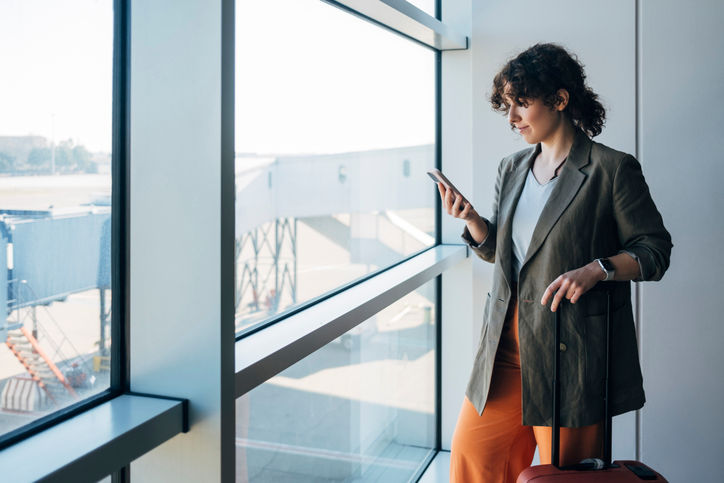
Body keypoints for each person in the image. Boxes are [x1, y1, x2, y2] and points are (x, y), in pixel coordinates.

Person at [438, 43, 672, 483]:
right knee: (473, 464)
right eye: (507, 106)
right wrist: (472, 222)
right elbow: (504, 256)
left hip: (572, 356)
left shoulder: (612, 169)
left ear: (560, 100)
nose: (512, 119)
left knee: (562, 477)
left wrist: (596, 269)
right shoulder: (511, 168)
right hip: (503, 352)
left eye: (521, 103)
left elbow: (654, 251)